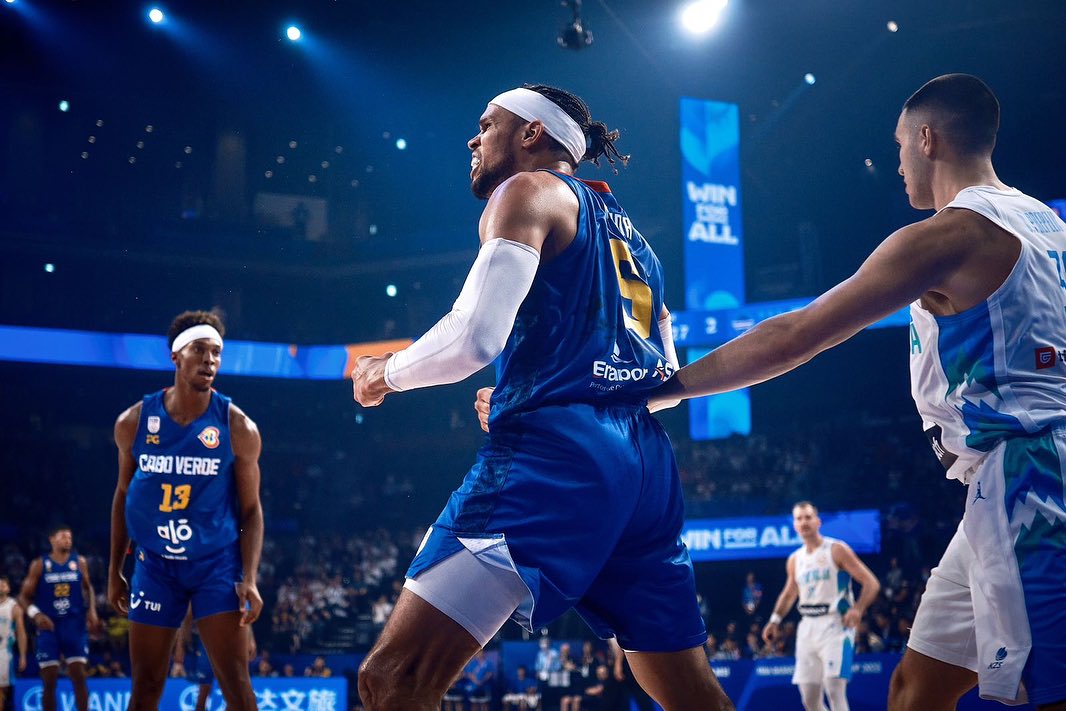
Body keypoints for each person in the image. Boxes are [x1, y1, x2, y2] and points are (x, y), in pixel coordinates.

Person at [648, 73, 1066, 710]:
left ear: (926, 139)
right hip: (1000, 481)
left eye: (899, 145)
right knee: (913, 689)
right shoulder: (1046, 221)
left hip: (1033, 478)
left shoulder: (949, 234)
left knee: (1050, 691)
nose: (897, 164)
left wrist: (668, 389)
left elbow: (796, 334)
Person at [352, 84, 731, 711]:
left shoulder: (526, 192)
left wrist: (383, 372)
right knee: (693, 696)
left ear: (532, 133)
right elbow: (660, 378)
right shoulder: (640, 246)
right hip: (644, 468)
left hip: (554, 459)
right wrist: (533, 387)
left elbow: (473, 339)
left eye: (486, 124)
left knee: (393, 679)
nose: (473, 140)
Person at [108, 310, 264, 711]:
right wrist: (114, 571)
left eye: (216, 353)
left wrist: (250, 577)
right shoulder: (134, 421)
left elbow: (251, 510)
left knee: (236, 684)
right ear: (176, 356)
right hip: (156, 565)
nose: (210, 360)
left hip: (215, 566)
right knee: (145, 685)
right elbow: (123, 495)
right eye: (200, 350)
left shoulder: (238, 427)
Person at [761, 502, 881, 711]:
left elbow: (871, 582)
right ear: (794, 525)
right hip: (807, 626)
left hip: (836, 625)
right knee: (809, 698)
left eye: (808, 517)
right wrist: (774, 620)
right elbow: (789, 593)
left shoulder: (836, 549)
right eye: (799, 518)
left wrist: (858, 609)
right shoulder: (795, 559)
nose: (804, 522)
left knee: (834, 689)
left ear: (818, 521)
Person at [17, 526, 99, 711]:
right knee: (49, 678)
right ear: (51, 539)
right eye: (63, 536)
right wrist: (36, 614)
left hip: (74, 624)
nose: (68, 540)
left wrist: (92, 610)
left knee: (79, 675)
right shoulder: (40, 564)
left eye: (70, 537)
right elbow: (22, 597)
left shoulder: (79, 562)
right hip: (49, 627)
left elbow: (89, 588)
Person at [171, 605, 257, 711]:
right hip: (206, 636)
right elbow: (187, 617)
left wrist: (250, 637)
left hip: (232, 634)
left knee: (239, 684)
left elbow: (244, 609)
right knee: (206, 683)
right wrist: (179, 656)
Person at [0, 575, 28, 709]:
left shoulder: (14, 607)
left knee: (3, 690)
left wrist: (22, 655)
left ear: (8, 588)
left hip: (4, 653)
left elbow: (21, 633)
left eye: (3, 584)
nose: (0, 586)